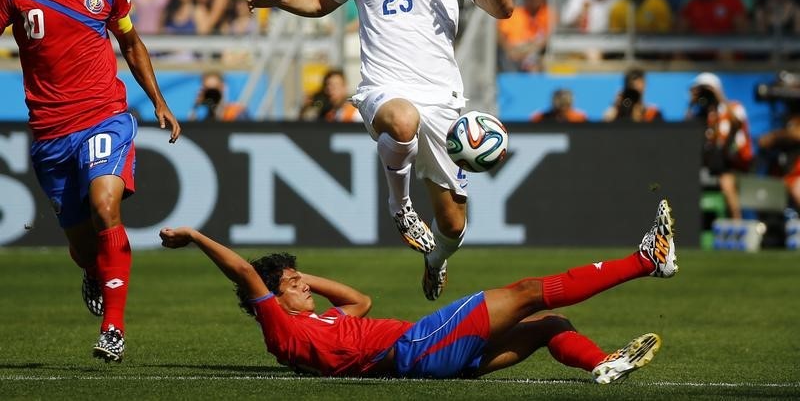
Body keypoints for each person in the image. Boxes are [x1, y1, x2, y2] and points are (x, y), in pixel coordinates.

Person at [247, 0, 514, 302]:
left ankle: (436, 260)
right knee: (403, 118)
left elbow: (503, 10)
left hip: (443, 101)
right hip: (383, 91)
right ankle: (400, 207)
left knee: (453, 226)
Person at [159, 199, 677, 382]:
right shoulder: (283, 331)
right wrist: (198, 238)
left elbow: (358, 301)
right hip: (417, 347)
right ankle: (645, 259)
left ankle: (602, 365)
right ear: (270, 303)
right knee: (524, 292)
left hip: (437, 356)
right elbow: (249, 279)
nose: (302, 285)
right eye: (291, 285)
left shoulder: (320, 321)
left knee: (548, 327)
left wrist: (294, 273)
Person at [0, 0, 181, 362]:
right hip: (49, 131)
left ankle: (114, 329)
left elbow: (132, 42)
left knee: (106, 204)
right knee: (85, 248)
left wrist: (158, 101)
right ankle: (94, 272)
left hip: (105, 115)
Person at [686, 72, 753, 221]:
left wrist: (719, 97)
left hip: (734, 164)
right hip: (710, 164)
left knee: (726, 179)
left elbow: (737, 122)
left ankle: (737, 222)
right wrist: (692, 103)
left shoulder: (733, 107)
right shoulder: (701, 115)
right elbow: (685, 134)